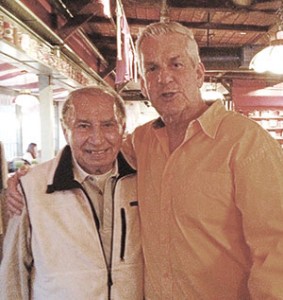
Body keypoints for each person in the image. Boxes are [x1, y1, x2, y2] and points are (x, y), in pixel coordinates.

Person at [5, 21, 283, 299]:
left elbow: (275, 245)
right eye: (152, 68)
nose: (164, 78)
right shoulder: (141, 142)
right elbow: (94, 149)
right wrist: (29, 177)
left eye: (176, 64)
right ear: (144, 83)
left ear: (199, 73)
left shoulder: (245, 142)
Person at [0, 86, 143, 299]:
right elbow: (13, 273)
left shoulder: (144, 179)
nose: (97, 139)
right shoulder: (31, 188)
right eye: (83, 126)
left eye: (108, 125)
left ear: (122, 128)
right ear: (65, 130)